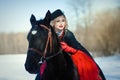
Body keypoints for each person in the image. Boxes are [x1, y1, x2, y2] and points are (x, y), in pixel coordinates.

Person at [50, 9, 106, 80]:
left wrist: (68, 48)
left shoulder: (68, 34)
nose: (61, 23)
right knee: (43, 69)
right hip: (56, 59)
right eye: (58, 21)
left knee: (88, 65)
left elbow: (76, 47)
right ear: (53, 23)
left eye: (63, 20)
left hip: (71, 55)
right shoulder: (50, 35)